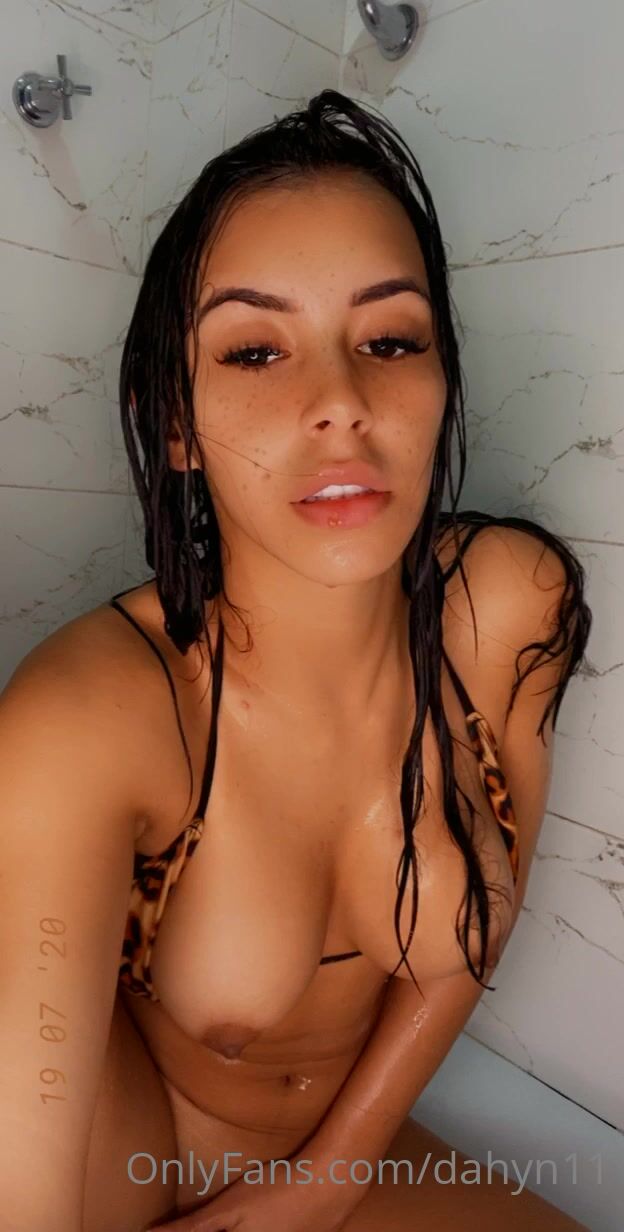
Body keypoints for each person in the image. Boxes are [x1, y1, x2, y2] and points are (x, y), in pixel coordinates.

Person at [0, 90, 593, 1232]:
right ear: (175, 420)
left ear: (442, 378)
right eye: (256, 350)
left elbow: (482, 919)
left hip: (336, 1161)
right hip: (123, 1165)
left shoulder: (508, 609)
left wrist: (330, 1173)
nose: (340, 403)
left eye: (391, 340)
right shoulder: (95, 713)